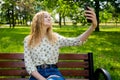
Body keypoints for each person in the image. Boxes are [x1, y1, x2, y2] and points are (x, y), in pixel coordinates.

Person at [24, 7, 97, 80]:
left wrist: (92, 27)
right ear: (37, 21)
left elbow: (76, 41)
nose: (49, 18)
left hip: (53, 73)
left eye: (50, 17)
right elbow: (29, 65)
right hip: (36, 74)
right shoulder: (28, 40)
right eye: (45, 17)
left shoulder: (55, 38)